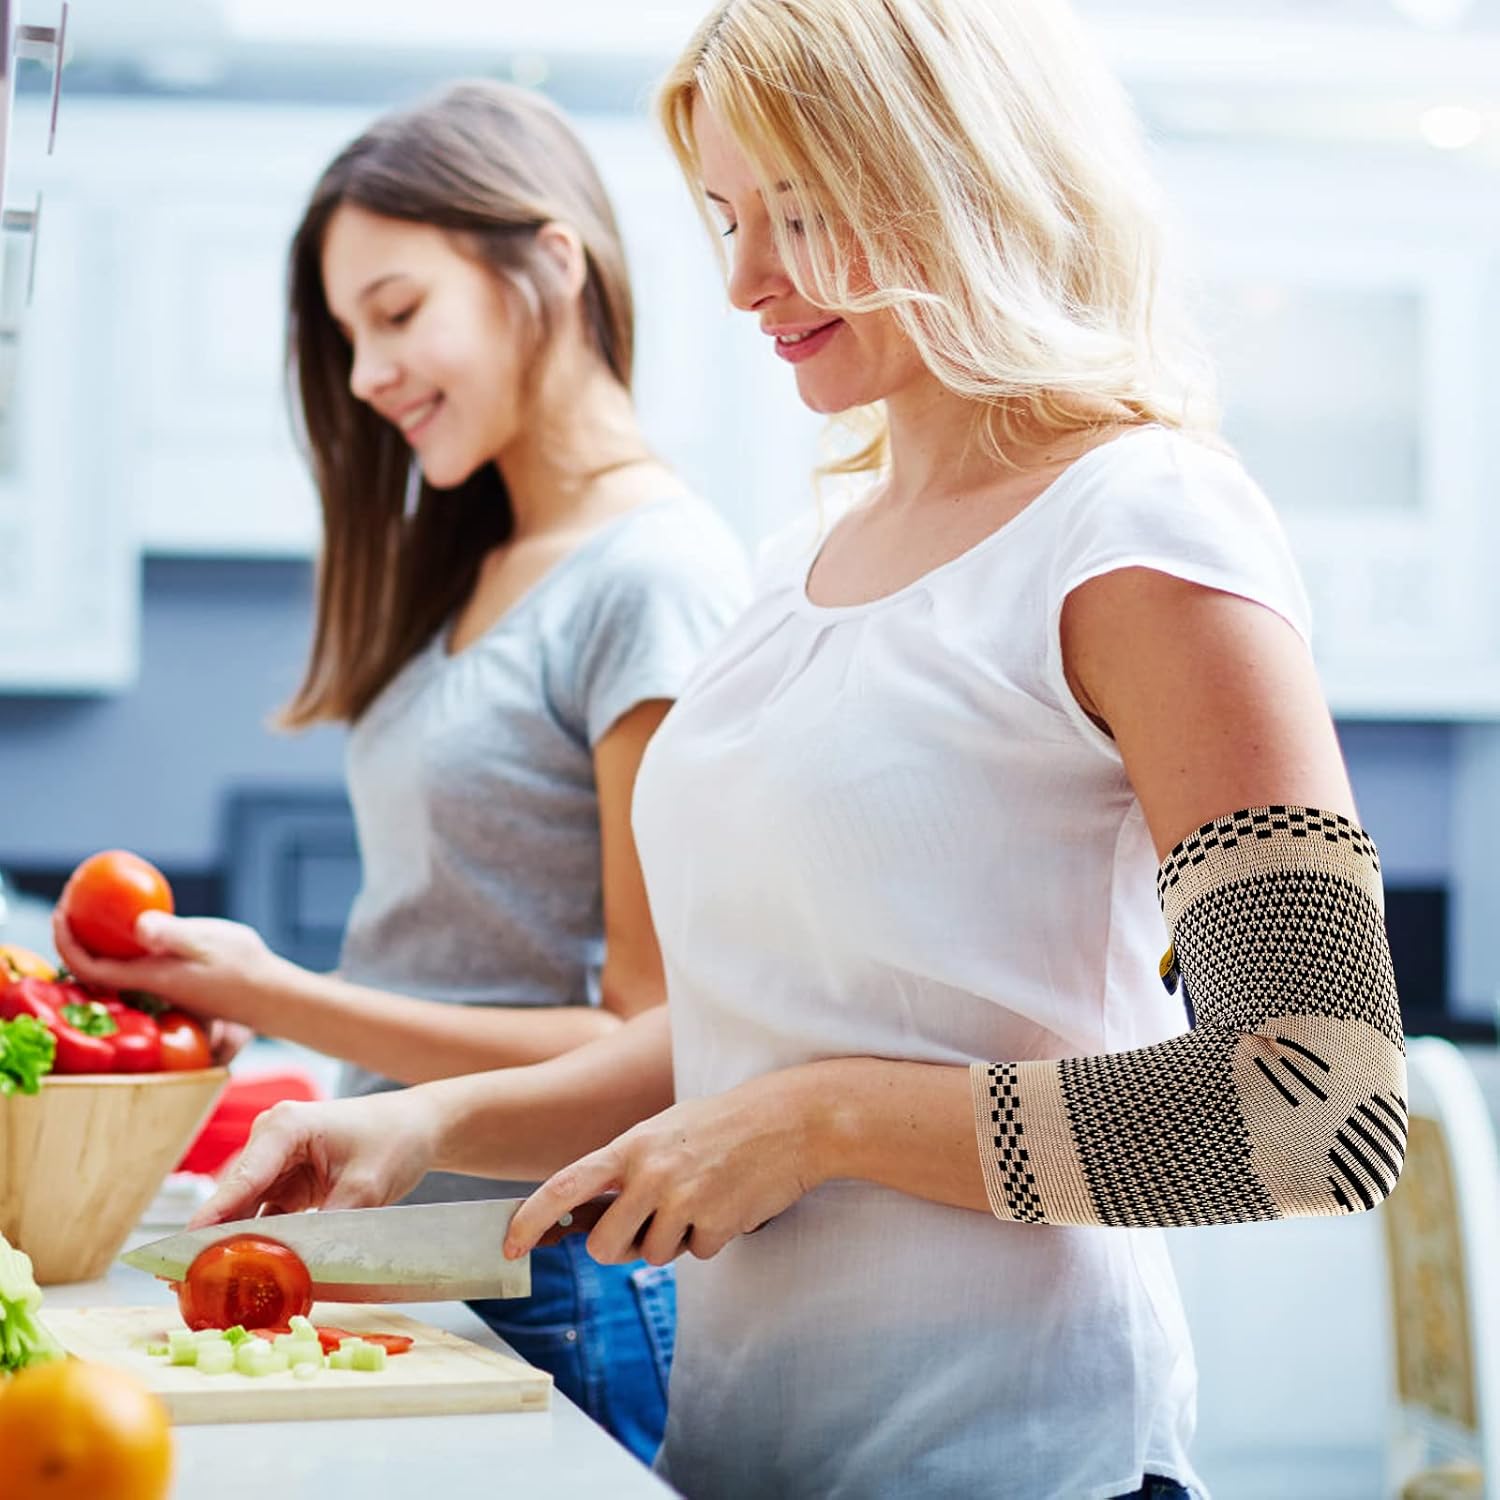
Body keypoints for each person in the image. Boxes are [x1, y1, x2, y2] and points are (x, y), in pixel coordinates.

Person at [156, 5, 1407, 1497]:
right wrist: (428, 1127)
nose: (745, 281)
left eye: (799, 216)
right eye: (729, 219)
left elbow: (1318, 1107)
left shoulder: (1142, 528)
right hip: (740, 1450)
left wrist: (823, 1125)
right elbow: (760, 1025)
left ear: (956, 176)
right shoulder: (801, 561)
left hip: (1014, 1460)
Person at [56, 80, 749, 1466]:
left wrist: (279, 991)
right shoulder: (483, 562)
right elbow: (454, 956)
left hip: (548, 1265)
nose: (367, 373)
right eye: (349, 332)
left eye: (397, 310)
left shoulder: (653, 578)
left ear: (550, 264)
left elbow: (653, 1037)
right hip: (420, 1239)